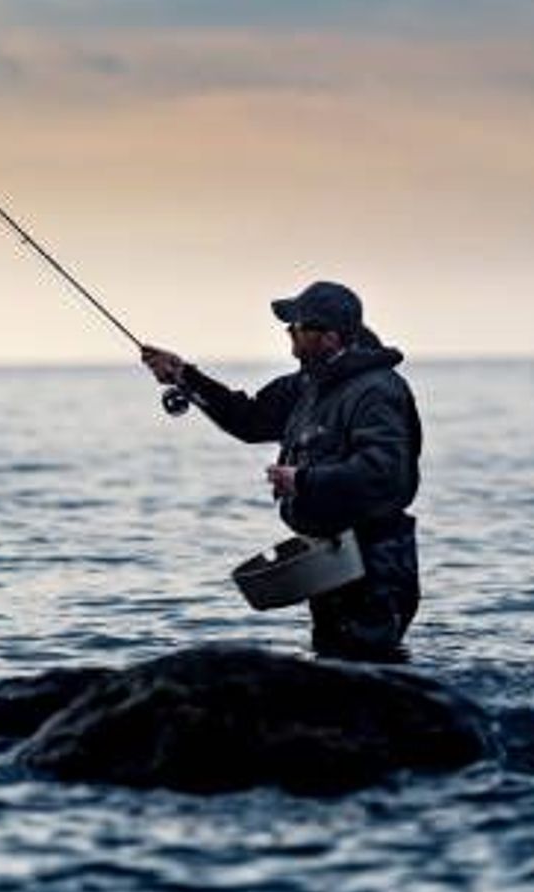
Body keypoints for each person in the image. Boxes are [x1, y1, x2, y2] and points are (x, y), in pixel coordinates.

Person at [141, 280, 421, 660]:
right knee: (335, 681)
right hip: (331, 561)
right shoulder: (308, 385)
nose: (288, 333)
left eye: (298, 327)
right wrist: (185, 377)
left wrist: (303, 480)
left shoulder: (377, 391)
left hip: (376, 567)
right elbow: (249, 419)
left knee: (371, 684)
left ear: (330, 338)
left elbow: (385, 472)